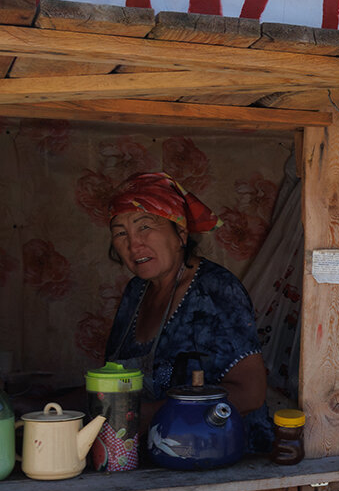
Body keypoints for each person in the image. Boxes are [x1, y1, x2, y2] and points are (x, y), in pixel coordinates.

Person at [104, 172, 271, 452]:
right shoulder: (136, 292)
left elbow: (250, 393)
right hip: (148, 454)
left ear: (180, 233)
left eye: (145, 227)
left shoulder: (215, 290)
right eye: (121, 233)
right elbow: (111, 378)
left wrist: (151, 414)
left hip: (218, 454)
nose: (133, 244)